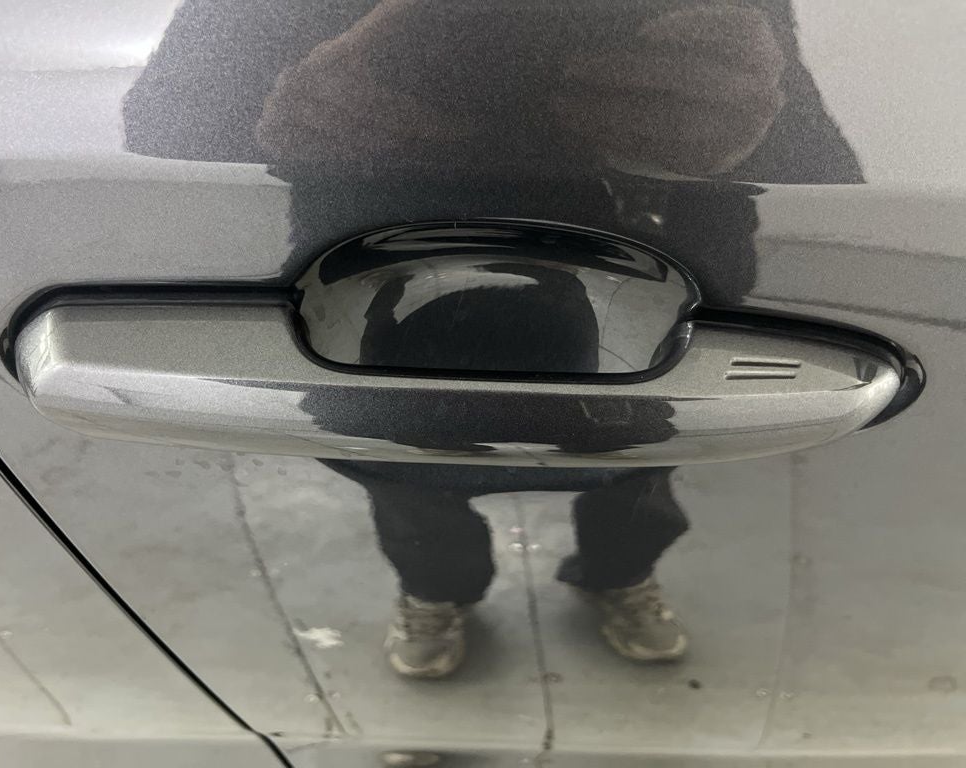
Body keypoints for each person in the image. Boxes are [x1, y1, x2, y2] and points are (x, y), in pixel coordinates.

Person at [123, 0, 863, 677]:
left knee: (639, 459)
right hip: (383, 259)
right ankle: (438, 588)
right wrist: (282, 112)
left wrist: (750, 127)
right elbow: (163, 120)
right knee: (405, 464)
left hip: (648, 261)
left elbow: (827, 161)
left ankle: (619, 571)